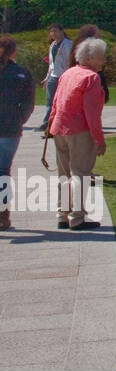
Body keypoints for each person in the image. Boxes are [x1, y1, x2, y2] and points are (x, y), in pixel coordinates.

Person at [48, 38, 108, 231]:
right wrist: (99, 140)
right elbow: (92, 113)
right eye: (101, 57)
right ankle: (77, 217)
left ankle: (62, 215)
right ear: (89, 58)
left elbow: (55, 102)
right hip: (79, 130)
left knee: (63, 174)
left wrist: (50, 124)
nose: (104, 61)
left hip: (60, 128)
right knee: (80, 173)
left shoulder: (67, 73)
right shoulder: (91, 78)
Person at [0, 36, 37, 231]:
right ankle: (3, 216)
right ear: (13, 52)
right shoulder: (22, 73)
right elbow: (29, 104)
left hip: (9, 127)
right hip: (10, 129)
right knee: (3, 171)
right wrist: (19, 120)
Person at [40, 24, 74, 132]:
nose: (53, 34)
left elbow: (70, 62)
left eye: (55, 31)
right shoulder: (53, 45)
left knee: (63, 101)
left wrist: (70, 76)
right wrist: (47, 78)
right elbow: (51, 64)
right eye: (51, 32)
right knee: (50, 101)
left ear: (61, 31)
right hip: (53, 76)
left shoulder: (68, 44)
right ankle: (47, 123)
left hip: (64, 77)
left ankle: (63, 123)